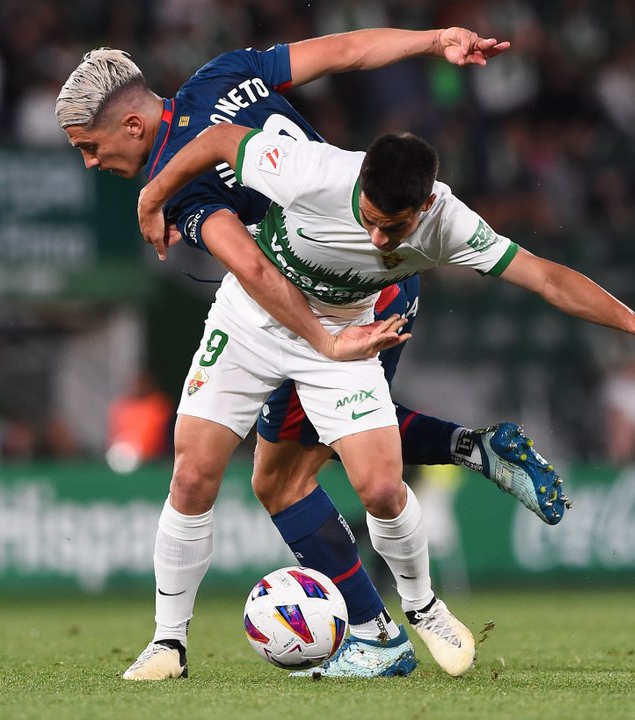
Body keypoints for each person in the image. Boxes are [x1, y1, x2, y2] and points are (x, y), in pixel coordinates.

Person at [136, 125, 635, 678]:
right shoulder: (309, 170)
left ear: (425, 207)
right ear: (360, 184)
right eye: (369, 221)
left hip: (346, 337)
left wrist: (634, 322)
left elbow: (544, 278)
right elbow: (214, 140)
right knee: (191, 477)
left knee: (383, 488)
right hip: (250, 322)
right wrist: (153, 196)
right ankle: (168, 643)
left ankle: (423, 608)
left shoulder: (450, 223)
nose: (379, 240)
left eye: (394, 228)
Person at [57, 28, 538, 681]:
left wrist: (323, 342)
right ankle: (173, 644)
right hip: (354, 281)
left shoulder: (186, 183)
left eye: (90, 147)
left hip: (341, 300)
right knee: (225, 471)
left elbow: (255, 268)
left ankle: (397, 618)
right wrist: (431, 41)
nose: (89, 162)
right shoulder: (224, 73)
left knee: (293, 478)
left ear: (134, 125)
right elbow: (340, 52)